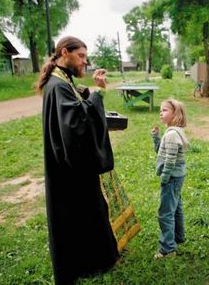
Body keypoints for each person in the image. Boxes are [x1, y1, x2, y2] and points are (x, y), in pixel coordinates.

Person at [36, 36, 119, 284]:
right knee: (80, 212)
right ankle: (89, 262)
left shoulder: (61, 80)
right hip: (70, 169)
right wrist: (99, 95)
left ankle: (92, 261)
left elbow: (75, 102)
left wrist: (89, 92)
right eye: (81, 56)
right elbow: (77, 125)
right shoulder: (57, 84)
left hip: (69, 166)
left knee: (85, 211)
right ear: (65, 52)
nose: (85, 61)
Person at [151, 98, 189, 259]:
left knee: (165, 212)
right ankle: (178, 237)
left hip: (172, 178)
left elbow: (170, 160)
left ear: (175, 114)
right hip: (177, 177)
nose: (161, 112)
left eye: (165, 110)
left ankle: (168, 249)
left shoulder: (173, 134)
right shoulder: (171, 132)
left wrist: (165, 177)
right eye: (161, 110)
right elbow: (161, 150)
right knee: (176, 207)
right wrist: (156, 137)